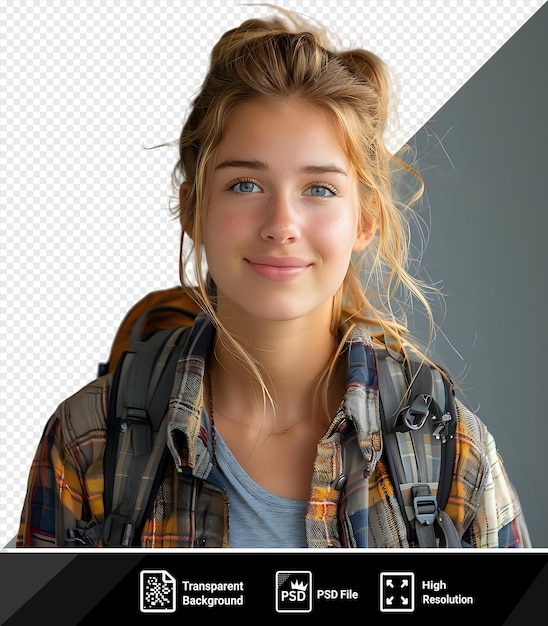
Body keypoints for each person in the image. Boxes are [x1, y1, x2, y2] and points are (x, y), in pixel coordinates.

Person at [16, 8, 530, 548]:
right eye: (244, 185)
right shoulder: (85, 440)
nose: (281, 226)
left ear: (366, 219)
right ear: (193, 208)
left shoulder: (450, 452)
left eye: (320, 189)